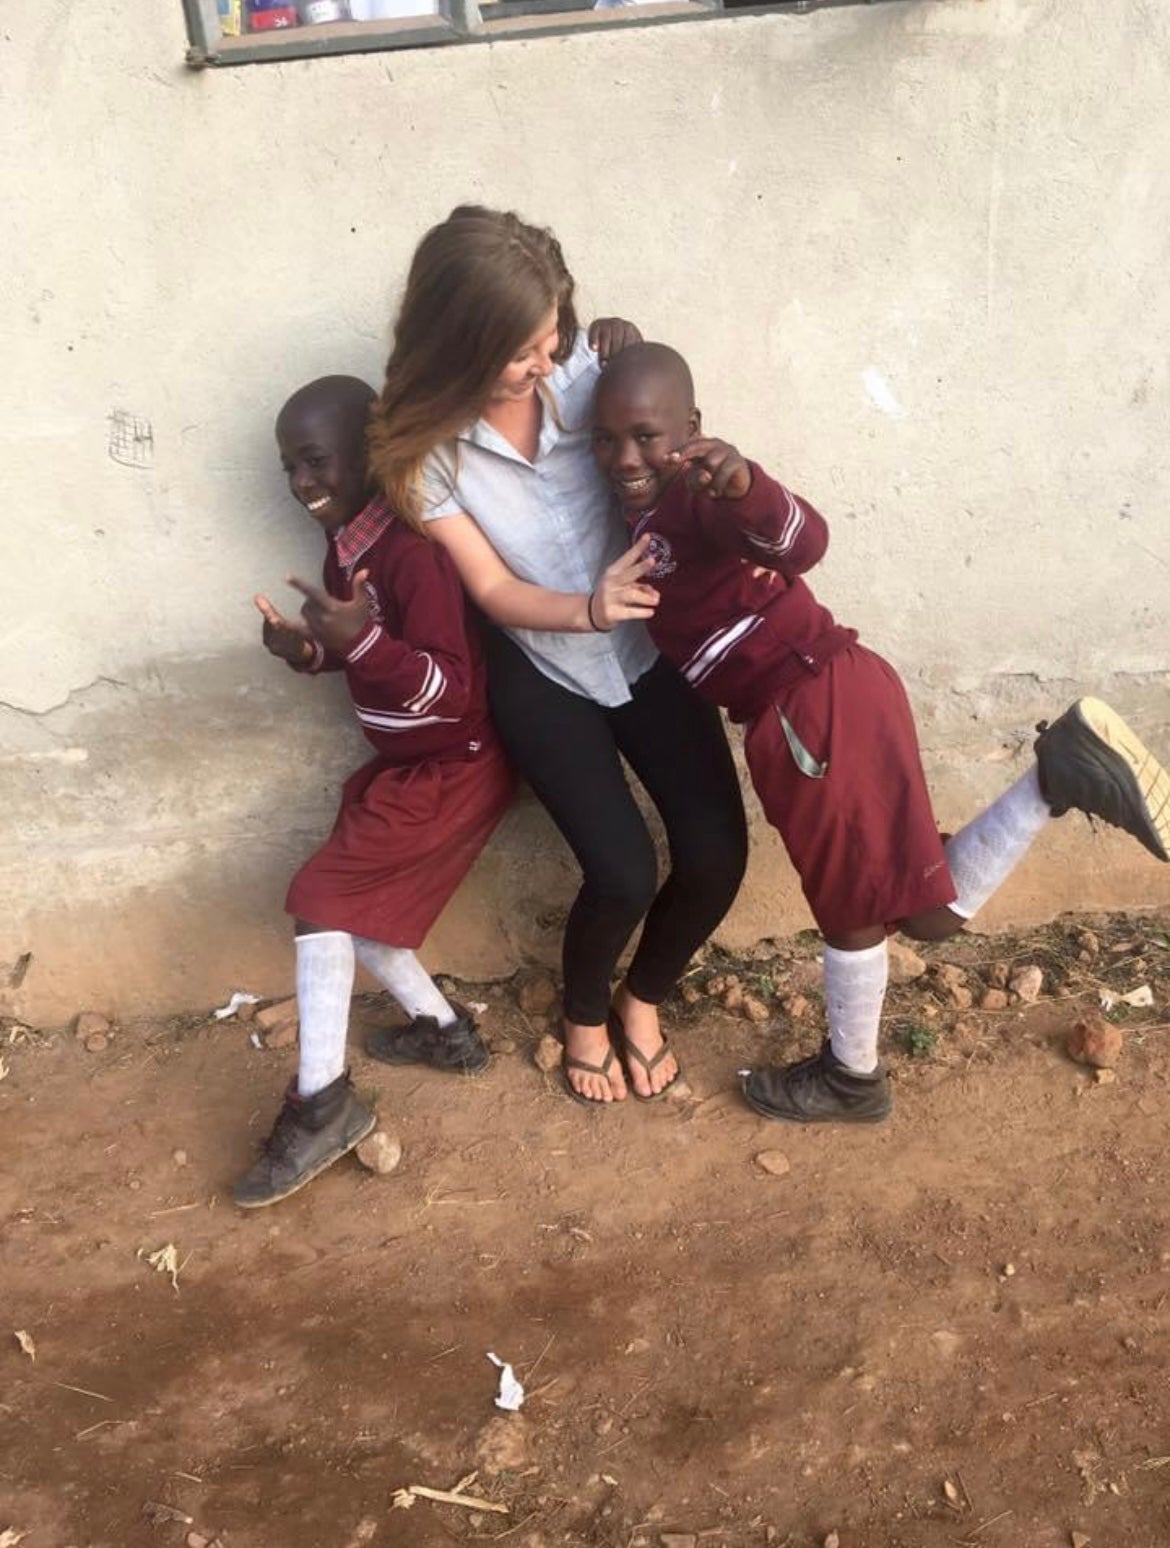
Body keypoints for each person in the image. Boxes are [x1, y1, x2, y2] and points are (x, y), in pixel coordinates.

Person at [589, 342, 1170, 1124]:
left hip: (808, 710)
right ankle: (1054, 778)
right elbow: (631, 403)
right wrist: (611, 336)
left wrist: (742, 483)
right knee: (918, 910)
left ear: (691, 429)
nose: (625, 456)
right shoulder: (650, 498)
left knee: (853, 913)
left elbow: (803, 541)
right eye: (606, 436)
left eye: (646, 436)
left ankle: (850, 1078)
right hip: (838, 691)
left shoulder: (701, 496)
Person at [366, 207, 749, 1107]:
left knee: (718, 856)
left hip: (649, 645)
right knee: (620, 871)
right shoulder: (425, 455)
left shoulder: (584, 374)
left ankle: (642, 994)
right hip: (544, 668)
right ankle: (584, 1015)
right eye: (524, 351)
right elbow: (494, 593)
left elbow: (659, 436)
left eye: (554, 339)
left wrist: (630, 360)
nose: (547, 363)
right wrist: (586, 607)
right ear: (461, 344)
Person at [234, 375, 515, 1207]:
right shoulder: (346, 551)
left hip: (456, 761)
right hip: (407, 766)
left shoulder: (415, 552)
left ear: (368, 454)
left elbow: (452, 688)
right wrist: (309, 652)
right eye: (288, 467)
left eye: (315, 461)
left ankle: (320, 1103)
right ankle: (443, 1032)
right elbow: (362, 649)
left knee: (323, 897)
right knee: (356, 908)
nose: (300, 483)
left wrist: (359, 647)